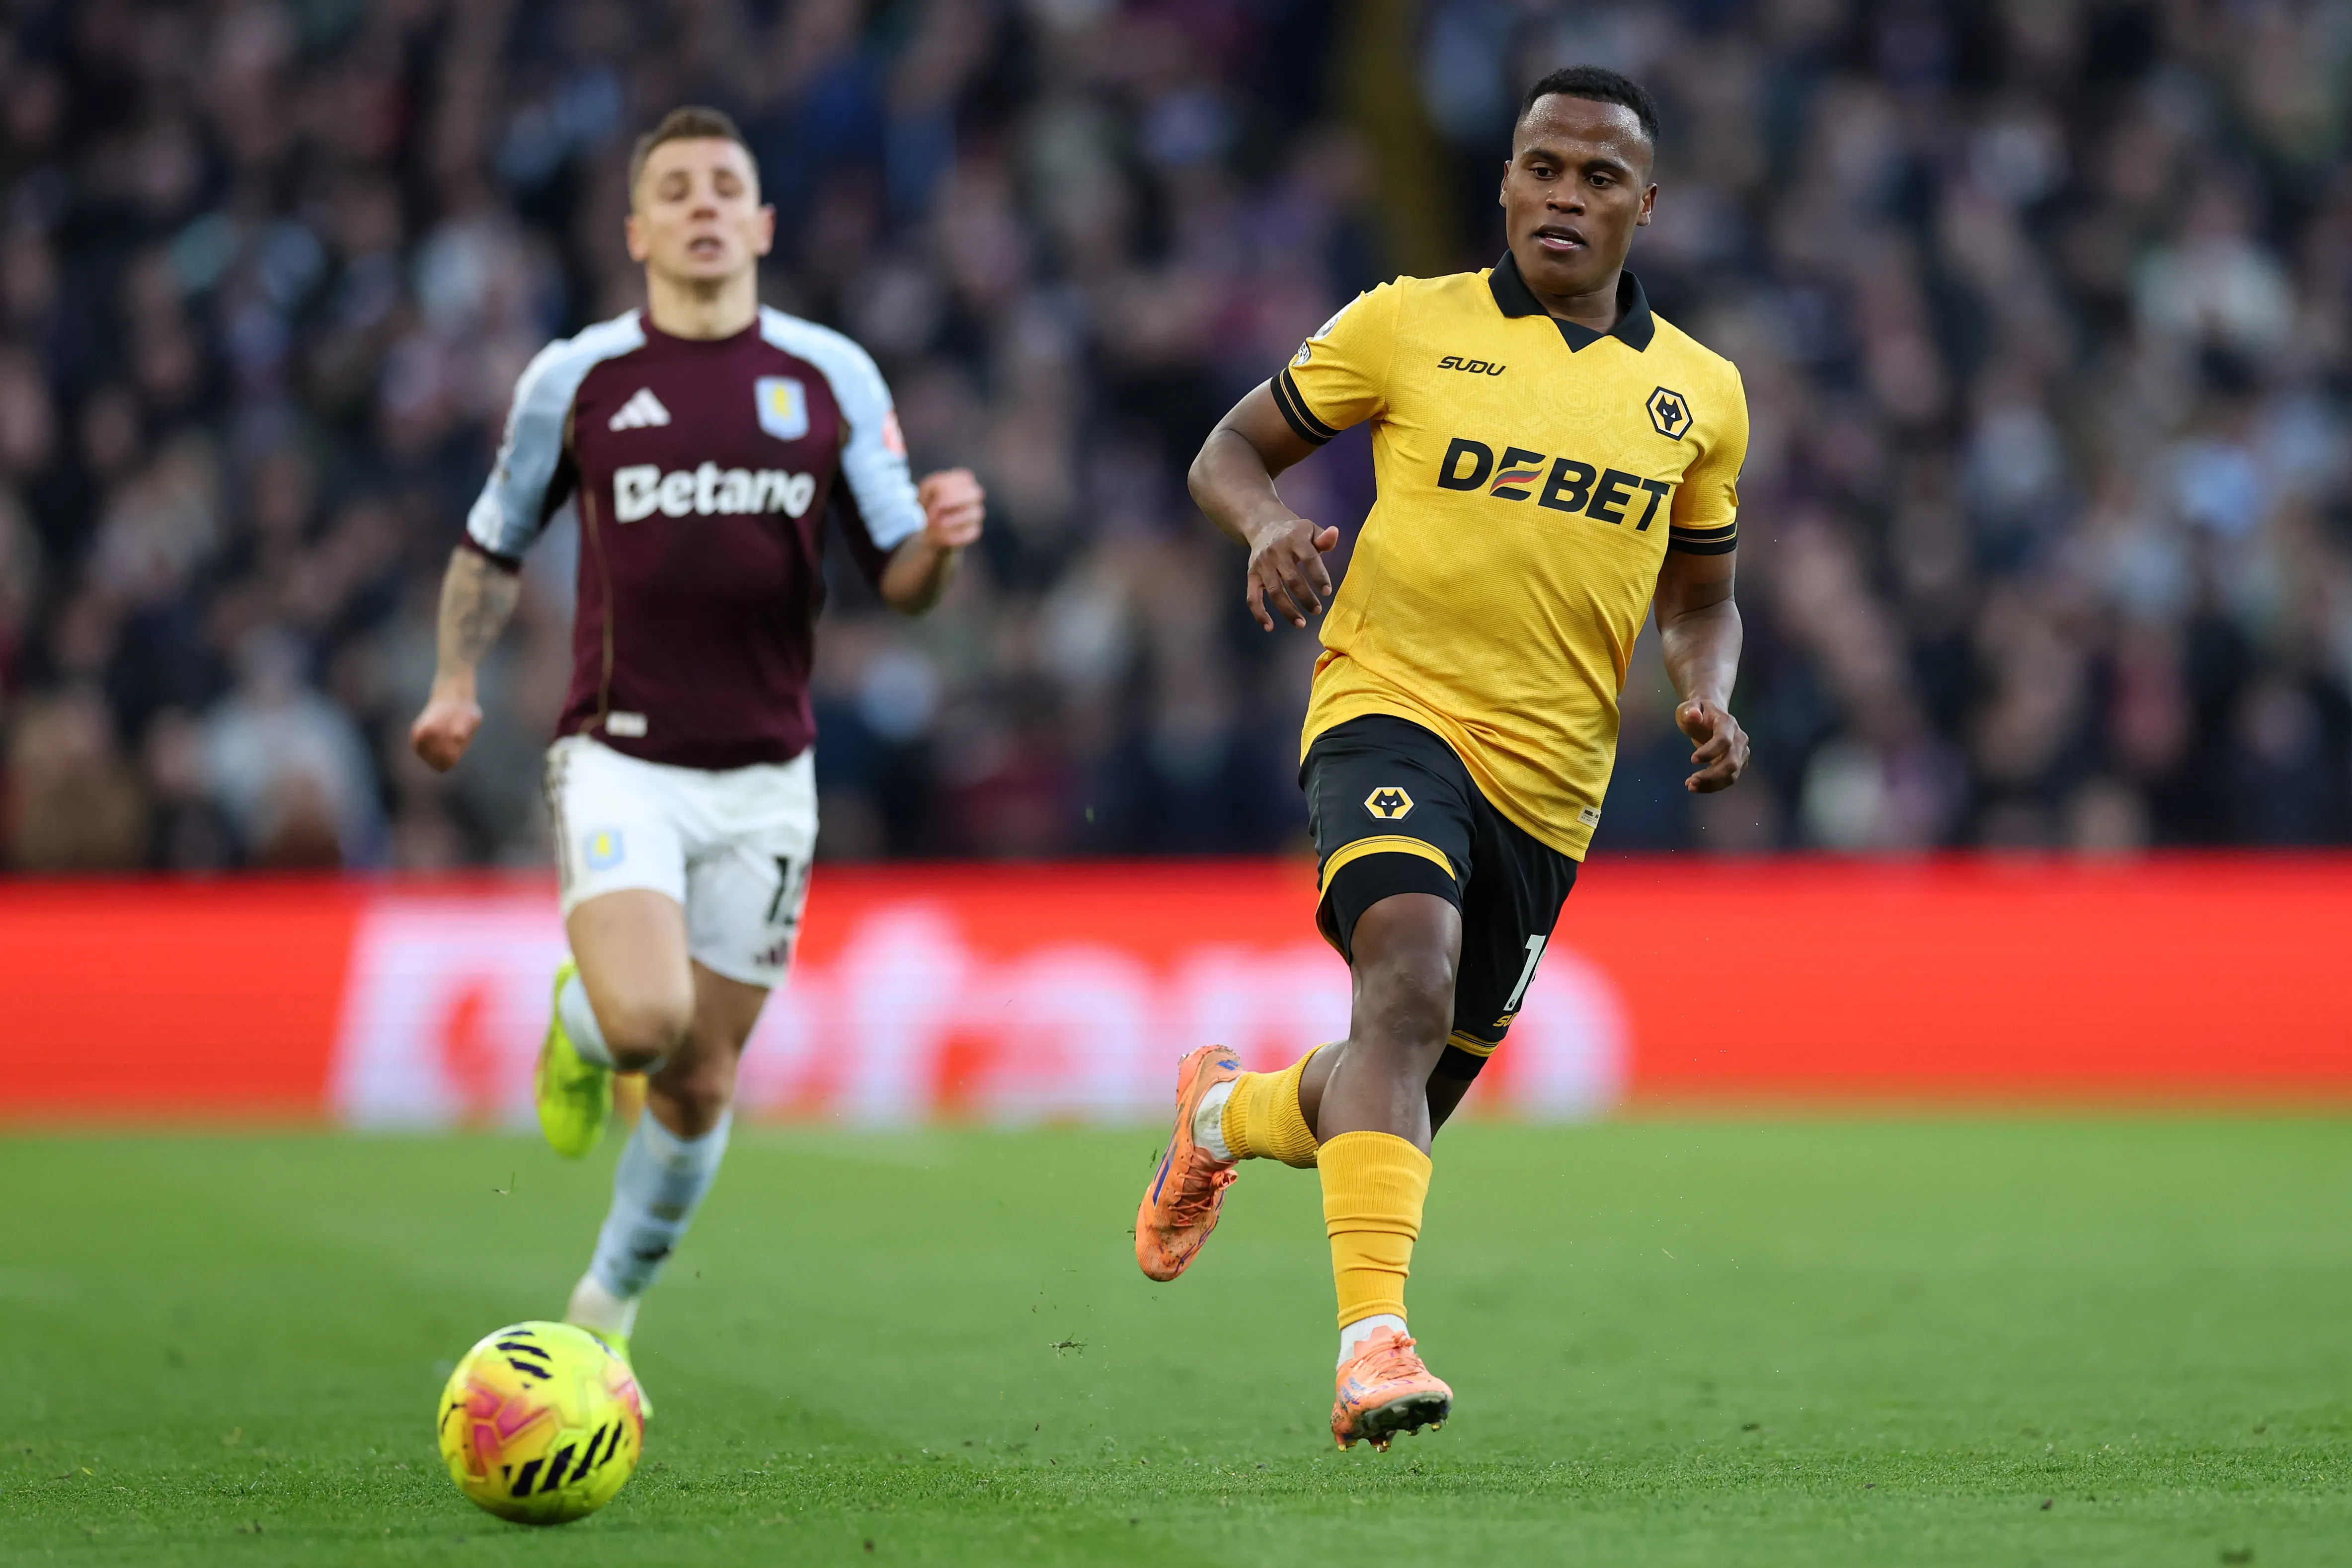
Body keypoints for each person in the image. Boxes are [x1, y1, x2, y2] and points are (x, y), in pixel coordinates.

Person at [1136, 66, 1750, 1451]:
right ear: (1506, 180)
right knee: (1401, 981)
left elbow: (1702, 595)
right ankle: (1373, 1348)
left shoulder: (1699, 396)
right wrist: (1263, 527)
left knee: (1397, 1079)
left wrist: (1707, 694)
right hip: (1389, 707)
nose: (1563, 195)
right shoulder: (1407, 324)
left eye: (1598, 178)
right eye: (1542, 165)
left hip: (1552, 786)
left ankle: (1222, 1115)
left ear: (1643, 207)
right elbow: (1228, 448)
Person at [410, 106, 984, 1409]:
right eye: (675, 190)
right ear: (638, 230)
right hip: (620, 758)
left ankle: (602, 1308)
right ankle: (577, 1021)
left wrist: (940, 538)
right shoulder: (580, 376)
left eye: (726, 185)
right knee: (645, 1020)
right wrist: (455, 684)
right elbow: (490, 540)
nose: (704, 205)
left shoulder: (831, 374)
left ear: (764, 223)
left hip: (770, 777)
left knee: (701, 1075)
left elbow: (900, 581)